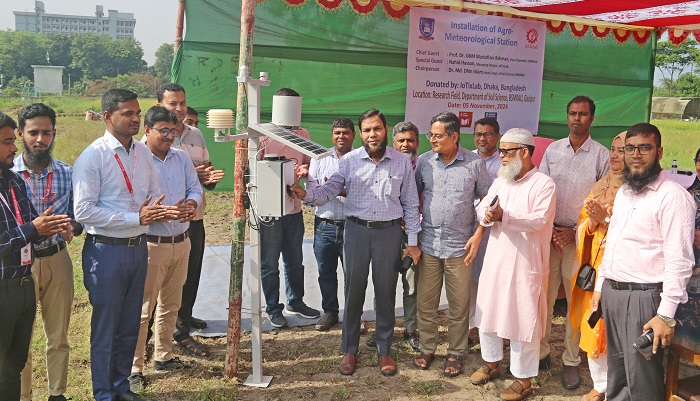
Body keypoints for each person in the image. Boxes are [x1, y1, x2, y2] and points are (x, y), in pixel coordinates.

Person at [289, 108, 421, 377]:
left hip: (389, 233)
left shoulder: (401, 162)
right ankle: (350, 349)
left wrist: (414, 242)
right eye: (367, 130)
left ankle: (384, 350)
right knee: (354, 292)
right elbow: (329, 191)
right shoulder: (348, 161)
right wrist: (306, 194)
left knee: (385, 292)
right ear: (360, 134)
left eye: (377, 129)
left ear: (385, 130)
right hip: (357, 232)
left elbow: (410, 203)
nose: (373, 134)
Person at [73, 89, 180, 401]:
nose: (135, 118)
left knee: (130, 323)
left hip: (137, 249)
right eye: (127, 113)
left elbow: (152, 194)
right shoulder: (94, 156)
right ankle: (104, 393)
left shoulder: (142, 153)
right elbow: (84, 211)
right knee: (107, 325)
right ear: (108, 117)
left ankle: (121, 387)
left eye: (137, 112)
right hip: (106, 251)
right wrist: (136, 216)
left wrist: (158, 209)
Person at [590, 123, 695, 401]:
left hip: (644, 299)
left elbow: (680, 260)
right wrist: (601, 285)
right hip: (613, 293)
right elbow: (613, 241)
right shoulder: (626, 191)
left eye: (644, 148)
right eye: (629, 148)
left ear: (659, 152)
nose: (636, 154)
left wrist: (665, 315)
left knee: (642, 382)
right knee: (619, 376)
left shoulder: (673, 197)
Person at [468, 128, 556, 401]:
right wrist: (487, 215)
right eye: (502, 151)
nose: (501, 156)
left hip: (525, 264)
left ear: (524, 152)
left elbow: (538, 220)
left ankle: (523, 379)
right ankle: (492, 363)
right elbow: (482, 208)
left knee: (522, 319)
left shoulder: (544, 184)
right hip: (496, 259)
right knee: (490, 312)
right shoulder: (500, 181)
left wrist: (504, 216)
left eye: (505, 151)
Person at [129, 106, 202, 392]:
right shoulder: (136, 159)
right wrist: (160, 211)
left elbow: (195, 188)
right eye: (164, 131)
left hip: (181, 242)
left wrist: (191, 205)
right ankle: (135, 366)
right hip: (151, 244)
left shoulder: (181, 158)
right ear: (147, 130)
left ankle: (163, 355)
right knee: (143, 309)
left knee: (171, 304)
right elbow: (133, 203)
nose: (170, 136)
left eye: (173, 131)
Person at [413, 112, 491, 377]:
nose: (432, 140)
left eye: (438, 135)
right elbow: (412, 199)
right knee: (426, 302)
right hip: (429, 244)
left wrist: (479, 232)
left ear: (454, 136)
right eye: (430, 135)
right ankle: (427, 347)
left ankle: (456, 352)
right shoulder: (424, 162)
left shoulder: (474, 164)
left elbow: (488, 201)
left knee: (459, 306)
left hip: (461, 247)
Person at [539, 96, 609, 389]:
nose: (576, 118)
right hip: (548, 236)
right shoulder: (553, 151)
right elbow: (540, 193)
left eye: (582, 114)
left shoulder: (601, 155)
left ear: (592, 118)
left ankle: (570, 361)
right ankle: (540, 353)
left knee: (574, 303)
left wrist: (573, 231)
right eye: (572, 113)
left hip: (580, 240)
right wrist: (550, 229)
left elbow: (604, 202)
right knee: (541, 298)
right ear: (566, 117)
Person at [0, 112, 71, 401]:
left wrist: (57, 225)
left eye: (47, 132)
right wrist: (33, 228)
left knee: (14, 363)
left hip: (24, 280)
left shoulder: (12, 181)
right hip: (5, 285)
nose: (14, 148)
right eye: (7, 142)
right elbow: (25, 229)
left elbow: (30, 222)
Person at [14, 103, 82, 401]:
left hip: (57, 258)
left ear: (55, 133)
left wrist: (73, 228)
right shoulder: (9, 176)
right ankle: (22, 395)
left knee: (59, 335)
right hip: (20, 264)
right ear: (20, 134)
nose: (40, 139)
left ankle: (57, 394)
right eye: (33, 133)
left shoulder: (68, 173)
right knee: (21, 339)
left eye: (46, 132)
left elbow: (79, 217)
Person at [156, 83, 224, 357]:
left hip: (194, 218)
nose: (180, 109)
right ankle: (155, 336)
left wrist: (205, 179)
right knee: (160, 282)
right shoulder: (151, 139)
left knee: (190, 276)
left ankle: (182, 329)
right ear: (160, 106)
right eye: (173, 104)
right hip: (164, 222)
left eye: (182, 103)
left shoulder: (196, 134)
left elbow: (204, 173)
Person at [568, 132, 625, 401]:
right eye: (613, 150)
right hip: (594, 268)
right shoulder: (599, 185)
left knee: (614, 330)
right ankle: (599, 384)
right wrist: (592, 223)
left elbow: (635, 235)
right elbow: (583, 227)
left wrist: (606, 219)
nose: (614, 156)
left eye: (622, 150)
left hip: (621, 271)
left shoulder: (635, 191)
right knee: (592, 324)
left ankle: (615, 383)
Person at [259, 87, 319, 328]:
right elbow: (252, 169)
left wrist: (306, 171)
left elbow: (310, 160)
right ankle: (273, 307)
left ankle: (296, 300)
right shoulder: (262, 135)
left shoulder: (302, 133)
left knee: (295, 259)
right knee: (269, 262)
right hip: (269, 212)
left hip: (294, 208)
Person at [367, 121, 421, 351]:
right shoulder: (383, 165)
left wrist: (414, 239)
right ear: (394, 142)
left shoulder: (426, 165)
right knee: (383, 284)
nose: (406, 145)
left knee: (412, 284)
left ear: (417, 143)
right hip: (386, 233)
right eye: (401, 141)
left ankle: (411, 330)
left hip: (414, 235)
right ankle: (382, 330)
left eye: (410, 140)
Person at [306, 118, 355, 331]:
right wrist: (334, 190)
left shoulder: (361, 158)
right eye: (337, 133)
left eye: (345, 132)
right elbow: (312, 188)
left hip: (352, 226)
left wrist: (333, 189)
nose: (341, 136)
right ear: (331, 135)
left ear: (354, 135)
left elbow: (366, 192)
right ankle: (330, 312)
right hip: (324, 225)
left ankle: (354, 315)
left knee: (353, 274)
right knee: (326, 272)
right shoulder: (319, 157)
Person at [469, 117, 501, 343]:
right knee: (470, 278)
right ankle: (472, 324)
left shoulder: (505, 163)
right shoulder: (467, 160)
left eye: (487, 134)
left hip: (496, 230)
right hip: (469, 226)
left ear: (497, 137)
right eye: (478, 134)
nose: (482, 138)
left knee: (492, 277)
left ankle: (493, 325)